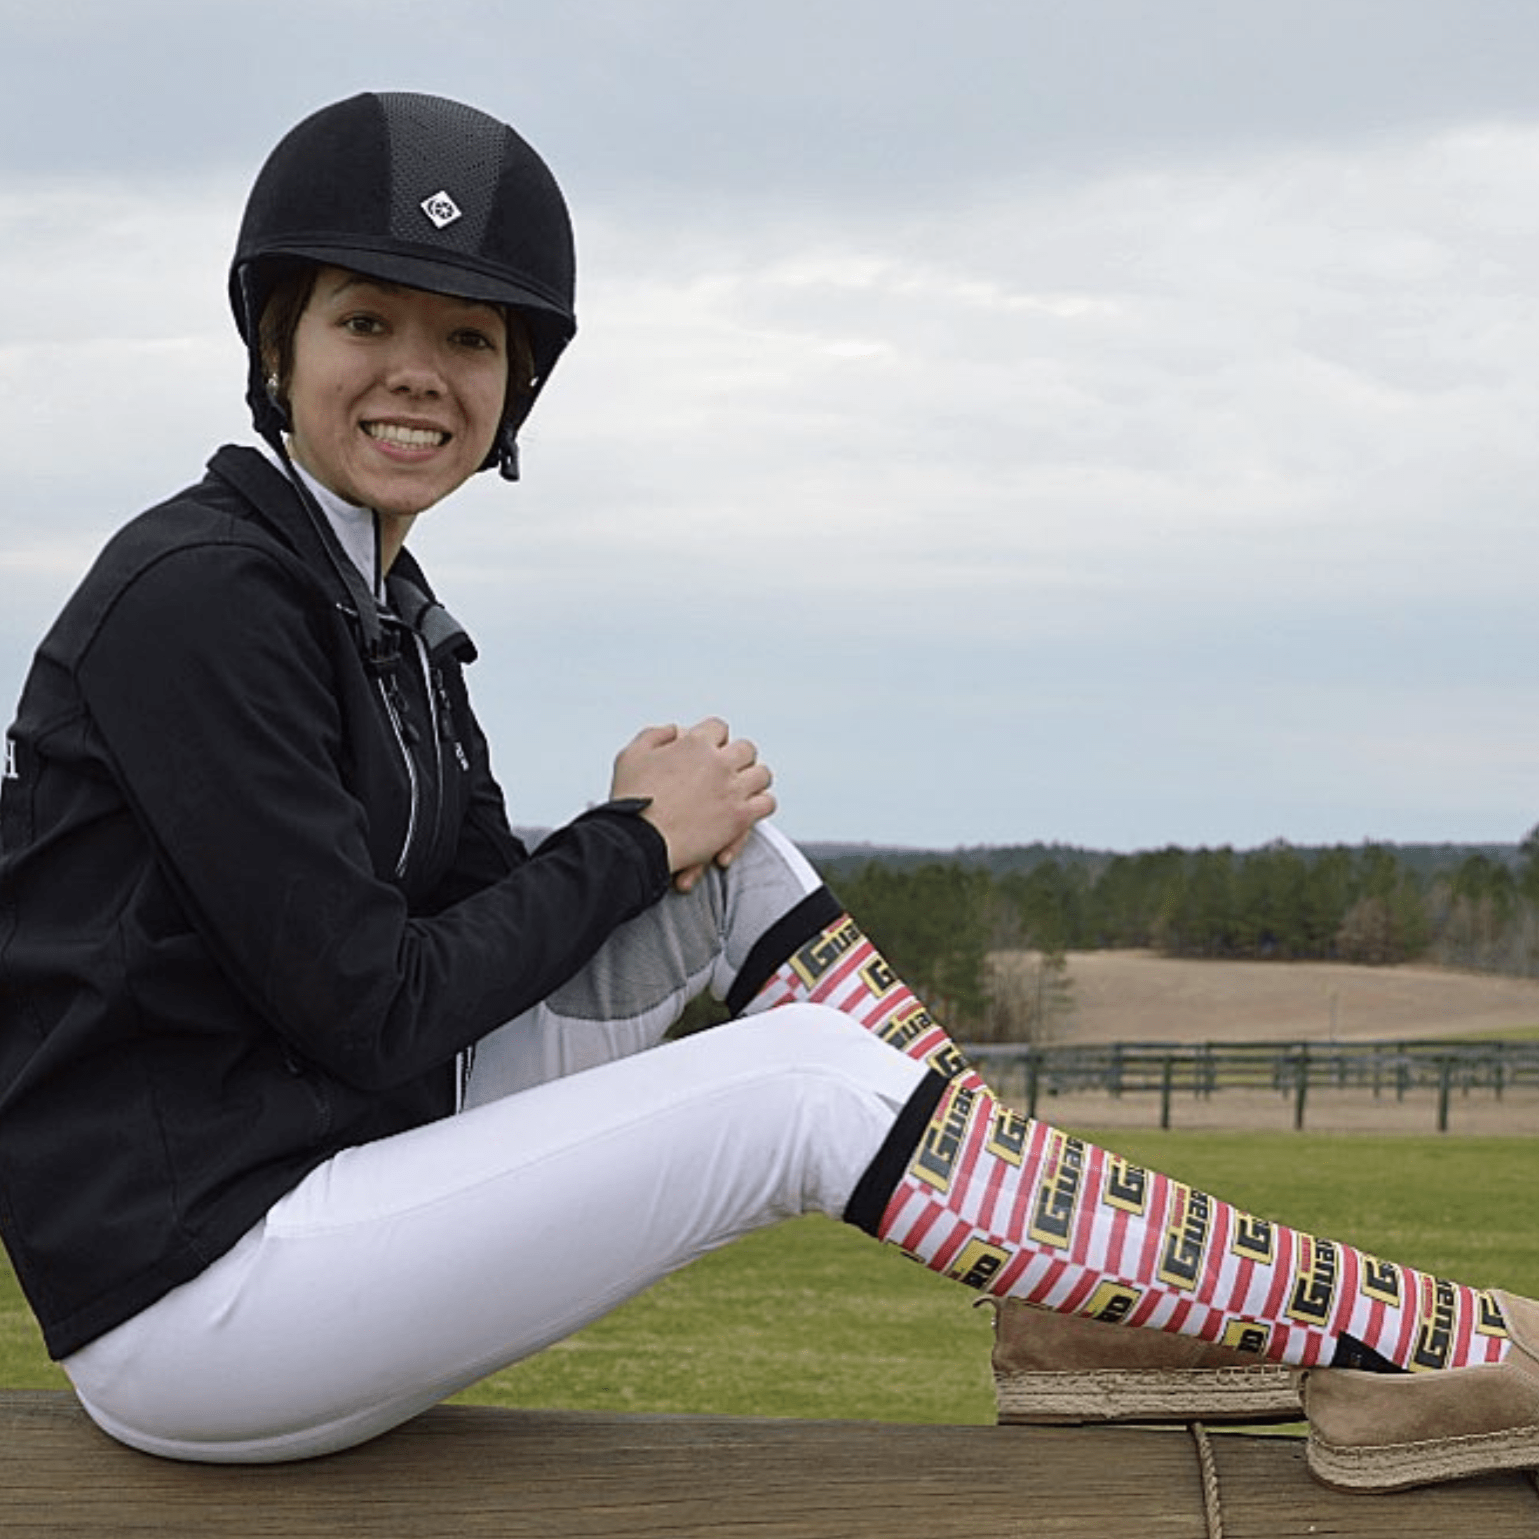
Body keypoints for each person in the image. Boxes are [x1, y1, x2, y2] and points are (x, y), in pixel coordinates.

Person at [0, 91, 1532, 1491]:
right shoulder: (203, 595)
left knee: (727, 863)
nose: (420, 370)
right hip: (199, 1289)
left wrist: (649, 851)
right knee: (796, 1081)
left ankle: (1070, 1297)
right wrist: (619, 840)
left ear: (517, 379)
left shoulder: (392, 619)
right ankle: (1420, 1338)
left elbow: (476, 933)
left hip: (349, 1170)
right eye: (365, 318)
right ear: (278, 341)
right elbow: (374, 1005)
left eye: (471, 338)